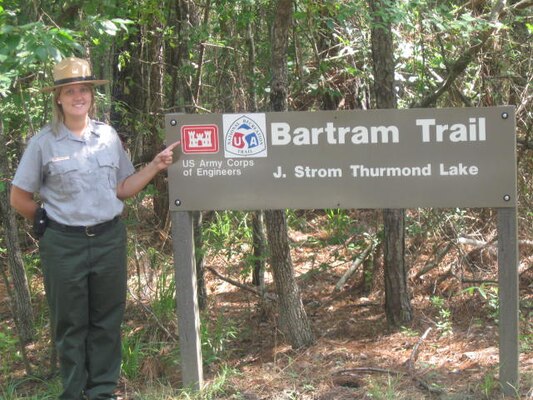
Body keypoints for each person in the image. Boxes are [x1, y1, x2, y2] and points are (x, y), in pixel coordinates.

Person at [10, 57, 179, 400]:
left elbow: (123, 188)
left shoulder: (107, 136)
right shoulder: (43, 143)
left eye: (83, 90)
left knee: (107, 320)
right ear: (58, 97)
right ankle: (73, 393)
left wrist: (156, 166)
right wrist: (45, 222)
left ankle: (102, 391)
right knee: (70, 325)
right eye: (70, 91)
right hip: (64, 245)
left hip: (108, 240)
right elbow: (18, 197)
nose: (78, 96)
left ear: (91, 95)